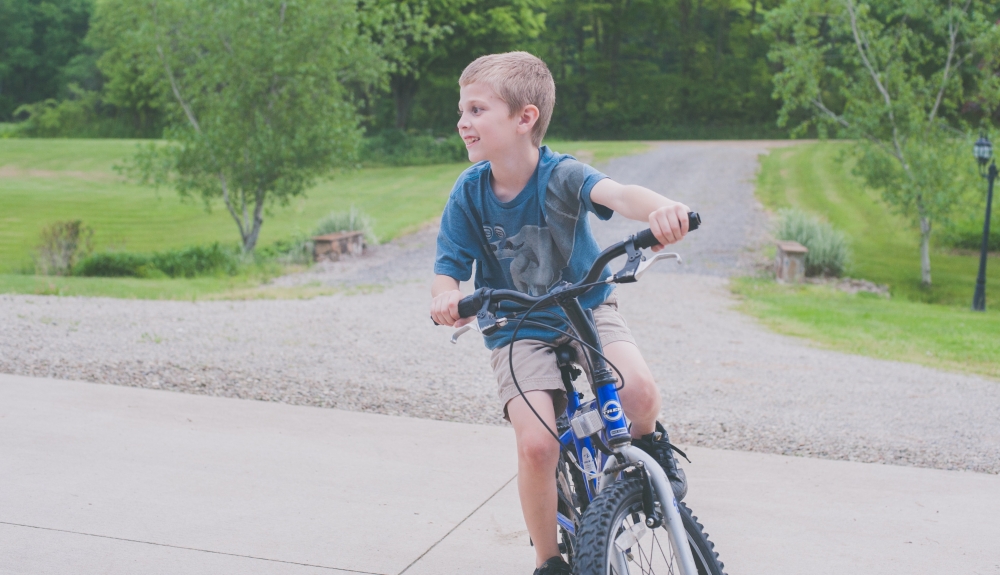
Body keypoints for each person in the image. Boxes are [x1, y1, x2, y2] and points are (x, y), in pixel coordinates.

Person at [429, 51, 691, 575]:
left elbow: (618, 194)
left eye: (477, 110)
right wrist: (445, 298)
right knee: (536, 446)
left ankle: (647, 449)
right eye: (462, 111)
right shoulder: (468, 194)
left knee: (639, 392)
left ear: (525, 118)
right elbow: (448, 266)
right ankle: (550, 559)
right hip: (515, 326)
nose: (462, 122)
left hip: (585, 307)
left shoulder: (563, 174)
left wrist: (662, 208)